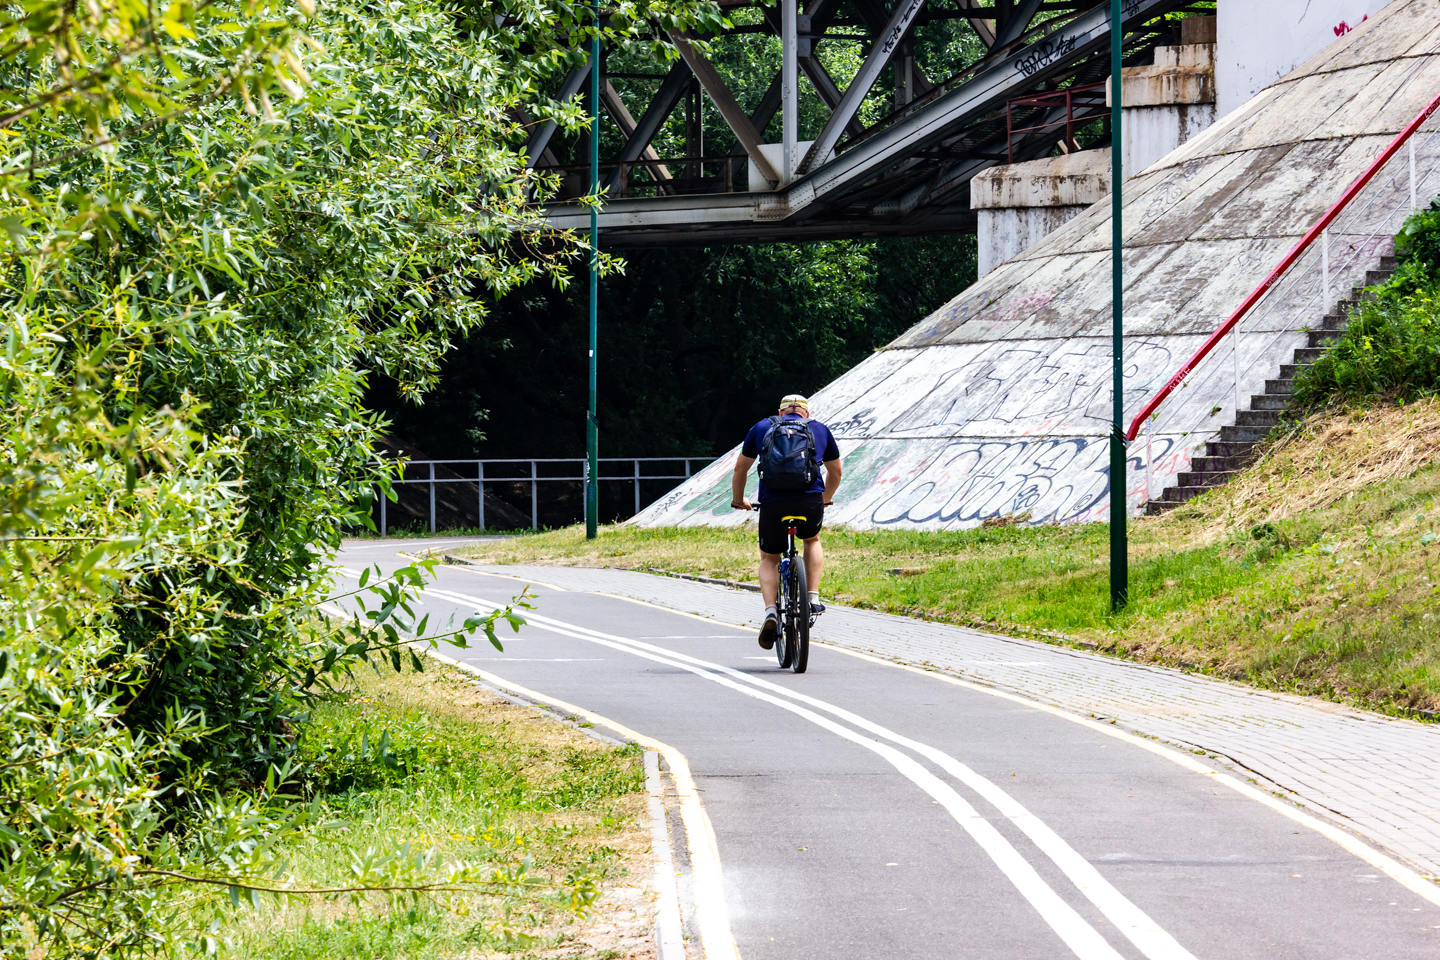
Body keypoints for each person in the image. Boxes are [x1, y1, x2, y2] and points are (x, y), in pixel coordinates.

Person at [730, 393, 842, 650]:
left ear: (780, 413)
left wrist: (738, 499)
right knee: (811, 540)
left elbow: (740, 470)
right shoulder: (819, 429)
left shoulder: (761, 427)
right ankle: (812, 597)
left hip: (773, 503)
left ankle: (771, 611)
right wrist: (825, 498)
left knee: (769, 557)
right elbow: (836, 472)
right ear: (806, 413)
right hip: (809, 501)